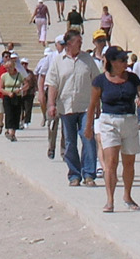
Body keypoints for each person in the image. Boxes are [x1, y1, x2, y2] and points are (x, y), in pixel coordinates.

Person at [86, 45, 140, 212]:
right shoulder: (100, 81)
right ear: (111, 62)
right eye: (121, 60)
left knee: (129, 162)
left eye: (126, 59)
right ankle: (109, 200)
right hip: (109, 121)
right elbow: (93, 104)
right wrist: (88, 126)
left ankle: (127, 196)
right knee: (111, 162)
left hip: (129, 121)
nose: (125, 62)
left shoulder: (132, 78)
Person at [48, 29, 102, 187]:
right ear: (69, 44)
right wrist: (51, 104)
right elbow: (52, 84)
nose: (81, 44)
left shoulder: (87, 60)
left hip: (86, 106)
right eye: (78, 41)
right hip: (66, 107)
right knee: (70, 143)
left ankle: (89, 174)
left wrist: (98, 104)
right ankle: (74, 174)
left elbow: (96, 82)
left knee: (88, 139)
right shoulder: (58, 61)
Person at [0, 53, 30, 141]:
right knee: (9, 114)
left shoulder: (19, 75)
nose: (8, 69)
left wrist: (21, 89)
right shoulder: (4, 76)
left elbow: (26, 84)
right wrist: (8, 93)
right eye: (7, 68)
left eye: (9, 67)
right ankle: (10, 132)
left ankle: (13, 133)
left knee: (16, 114)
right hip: (8, 96)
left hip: (17, 96)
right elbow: (0, 88)